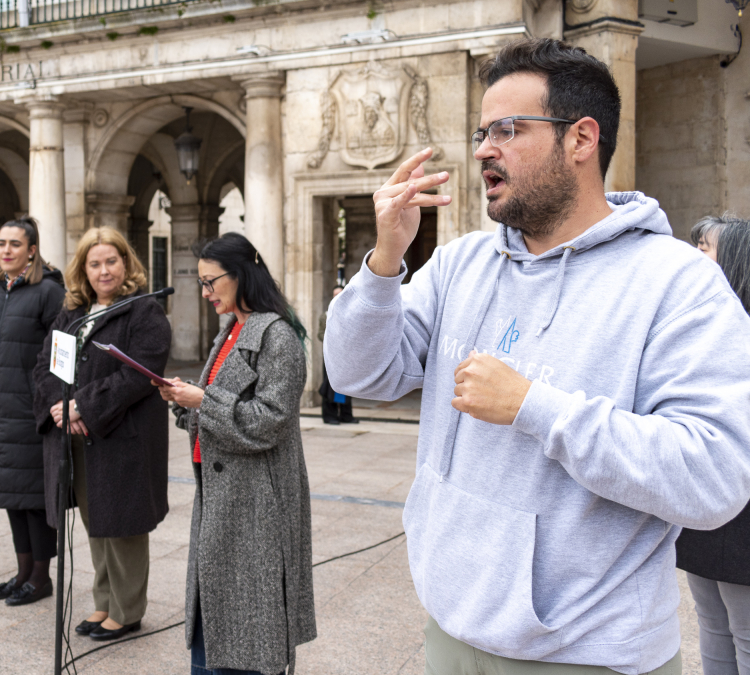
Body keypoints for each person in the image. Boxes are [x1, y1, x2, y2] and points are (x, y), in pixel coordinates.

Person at [325, 38, 750, 675]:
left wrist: (536, 407)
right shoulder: (460, 263)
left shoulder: (676, 282)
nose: (482, 149)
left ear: (581, 139)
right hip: (451, 627)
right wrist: (386, 264)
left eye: (507, 129)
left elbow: (713, 477)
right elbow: (360, 374)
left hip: (588, 654)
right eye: (481, 131)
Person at [156, 232, 316, 675]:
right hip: (221, 494)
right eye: (201, 284)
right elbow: (216, 404)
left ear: (243, 273)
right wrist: (183, 400)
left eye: (211, 282)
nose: (205, 293)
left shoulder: (278, 336)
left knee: (250, 629)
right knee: (217, 615)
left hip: (257, 500)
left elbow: (269, 421)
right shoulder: (230, 329)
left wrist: (202, 401)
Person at [33, 226, 171, 641]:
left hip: (121, 435)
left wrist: (83, 406)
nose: (103, 270)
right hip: (78, 434)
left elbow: (138, 374)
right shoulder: (73, 312)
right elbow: (45, 366)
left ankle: (127, 610)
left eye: (111, 261)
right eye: (94, 263)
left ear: (126, 263)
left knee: (123, 524)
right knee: (96, 520)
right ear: (83, 269)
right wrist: (61, 407)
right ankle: (103, 601)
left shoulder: (144, 312)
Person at [0, 217, 65, 606]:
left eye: (15, 244)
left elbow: (61, 352)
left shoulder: (48, 291)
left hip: (33, 409)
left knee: (34, 498)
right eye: (1, 243)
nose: (6, 250)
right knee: (11, 494)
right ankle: (23, 571)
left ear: (32, 249)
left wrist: (54, 399)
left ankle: (40, 577)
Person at [677, 213, 750, 675]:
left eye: (705, 247)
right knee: (713, 624)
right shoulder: (697, 328)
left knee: (745, 631)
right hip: (703, 506)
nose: (695, 255)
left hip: (743, 511)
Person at [317, 286, 356, 425]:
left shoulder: (350, 313)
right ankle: (330, 416)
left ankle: (346, 415)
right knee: (329, 386)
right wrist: (334, 338)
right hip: (331, 357)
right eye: (335, 294)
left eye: (339, 294)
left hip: (345, 357)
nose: (337, 297)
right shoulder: (326, 315)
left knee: (346, 386)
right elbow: (320, 334)